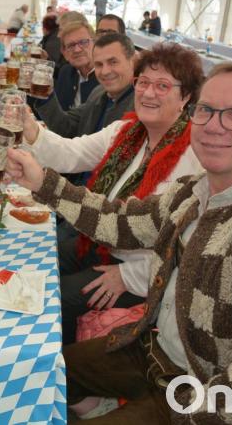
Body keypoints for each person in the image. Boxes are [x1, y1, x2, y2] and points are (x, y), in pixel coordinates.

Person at [7, 59, 232, 424]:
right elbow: (118, 222)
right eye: (207, 110)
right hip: (153, 352)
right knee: (40, 369)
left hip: (202, 390)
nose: (214, 126)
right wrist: (42, 183)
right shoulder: (193, 193)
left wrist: (193, 417)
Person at [26, 42, 205, 343]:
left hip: (141, 271)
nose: (148, 93)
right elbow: (71, 153)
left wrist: (128, 277)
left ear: (185, 96)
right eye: (143, 82)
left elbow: (188, 247)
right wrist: (29, 129)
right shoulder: (126, 132)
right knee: (32, 260)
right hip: (99, 243)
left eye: (163, 86)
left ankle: (59, 370)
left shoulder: (194, 157)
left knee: (48, 302)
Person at [35, 33, 137, 141]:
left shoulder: (141, 105)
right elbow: (65, 126)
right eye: (99, 64)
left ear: (133, 62)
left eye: (113, 62)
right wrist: (46, 90)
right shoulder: (98, 92)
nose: (105, 71)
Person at [55, 20, 99, 111]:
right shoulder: (65, 72)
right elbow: (58, 114)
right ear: (65, 53)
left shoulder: (105, 77)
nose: (77, 50)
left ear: (95, 44)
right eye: (71, 45)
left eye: (83, 42)